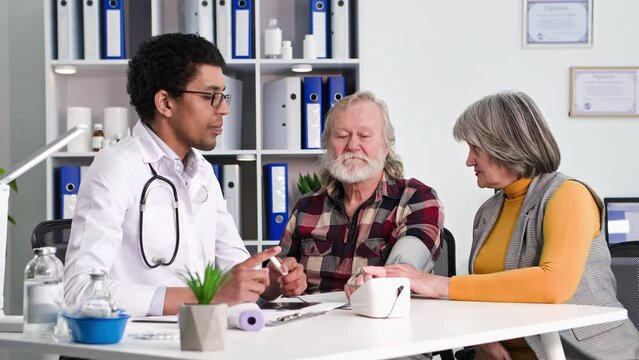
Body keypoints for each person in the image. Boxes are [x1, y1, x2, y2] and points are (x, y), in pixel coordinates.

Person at [347, 91, 639, 360]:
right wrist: (483, 338)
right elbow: (486, 293)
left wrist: (439, 284)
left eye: (475, 148)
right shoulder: (489, 211)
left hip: (582, 353)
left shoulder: (568, 195)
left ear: (504, 145)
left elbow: (553, 285)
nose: (468, 160)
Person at [64, 33, 306, 317]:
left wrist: (270, 282)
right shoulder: (116, 167)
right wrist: (207, 297)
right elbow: (79, 291)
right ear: (165, 102)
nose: (224, 108)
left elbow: (236, 268)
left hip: (202, 336)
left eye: (223, 96)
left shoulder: (202, 171)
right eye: (210, 96)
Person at [279, 91, 444, 293]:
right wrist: (283, 280)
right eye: (342, 136)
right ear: (328, 145)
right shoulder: (306, 206)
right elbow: (278, 276)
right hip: (315, 320)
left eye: (364, 136)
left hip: (384, 319)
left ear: (386, 145)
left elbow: (406, 266)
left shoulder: (416, 198)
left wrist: (380, 281)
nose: (353, 146)